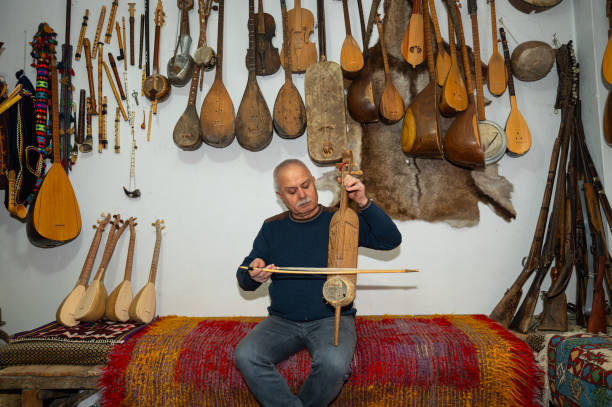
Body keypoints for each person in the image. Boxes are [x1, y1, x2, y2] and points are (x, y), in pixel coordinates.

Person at [234, 159, 402, 407]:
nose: (302, 195)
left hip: (332, 316)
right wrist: (253, 273)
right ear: (281, 196)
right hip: (282, 321)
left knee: (333, 364)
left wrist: (363, 202)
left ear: (314, 183)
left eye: (305, 185)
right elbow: (245, 276)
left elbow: (390, 240)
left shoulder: (342, 220)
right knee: (246, 355)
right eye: (292, 191)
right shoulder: (272, 228)